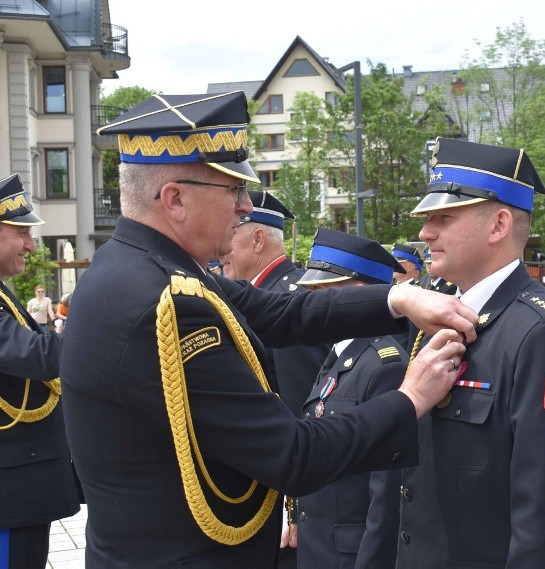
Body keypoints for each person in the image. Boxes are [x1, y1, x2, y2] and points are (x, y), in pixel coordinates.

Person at [58, 91, 477, 568]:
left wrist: (397, 297)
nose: (243, 207)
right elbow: (294, 456)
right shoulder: (164, 304)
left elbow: (281, 314)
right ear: (175, 199)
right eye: (232, 191)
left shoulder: (139, 269)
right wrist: (412, 397)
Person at [395, 138, 545, 568]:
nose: (425, 233)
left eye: (443, 218)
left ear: (498, 225)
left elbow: (539, 510)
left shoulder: (543, 331)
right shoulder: (438, 312)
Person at [289, 228, 408, 569]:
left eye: (321, 293)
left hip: (351, 555)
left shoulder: (383, 365)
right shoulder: (339, 355)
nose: (309, 305)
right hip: (320, 546)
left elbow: (386, 495)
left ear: (356, 295)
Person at [0, 173, 80, 569]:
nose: (31, 244)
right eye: (21, 232)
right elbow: (37, 357)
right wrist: (103, 322)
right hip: (9, 491)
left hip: (20, 483)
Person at [220, 190, 328, 416]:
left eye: (229, 235)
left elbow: (300, 405)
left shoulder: (287, 300)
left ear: (258, 240)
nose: (220, 250)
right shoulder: (270, 292)